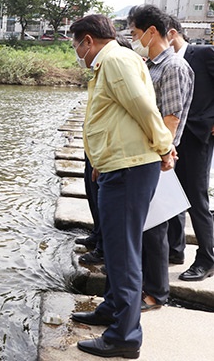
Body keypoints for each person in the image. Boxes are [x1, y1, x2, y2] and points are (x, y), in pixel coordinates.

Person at [69, 14, 175, 359]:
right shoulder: (113, 62)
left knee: (124, 255)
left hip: (130, 169)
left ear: (88, 40)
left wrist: (164, 146)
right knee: (117, 250)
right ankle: (113, 310)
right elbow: (117, 118)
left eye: (75, 44)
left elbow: (144, 107)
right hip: (118, 165)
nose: (76, 52)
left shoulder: (114, 60)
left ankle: (124, 337)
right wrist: (100, 160)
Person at [127, 5, 194, 310]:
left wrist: (162, 155)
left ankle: (157, 293)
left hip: (157, 159)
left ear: (152, 31)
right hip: (146, 156)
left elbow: (170, 119)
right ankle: (144, 286)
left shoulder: (173, 68)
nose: (134, 39)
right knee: (145, 227)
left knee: (155, 229)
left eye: (136, 33)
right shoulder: (151, 64)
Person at [75, 34, 133, 266]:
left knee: (108, 206)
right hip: (96, 150)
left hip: (113, 154)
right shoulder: (100, 74)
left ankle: (104, 250)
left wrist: (164, 147)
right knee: (94, 195)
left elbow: (143, 112)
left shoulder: (119, 68)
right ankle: (98, 236)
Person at [166, 15, 214, 281]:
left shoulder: (204, 53)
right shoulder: (164, 63)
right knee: (173, 195)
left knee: (197, 199)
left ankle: (207, 258)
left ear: (171, 33)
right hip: (174, 138)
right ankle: (175, 249)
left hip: (198, 136)